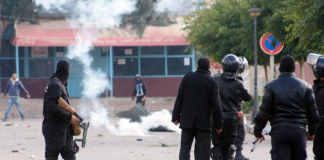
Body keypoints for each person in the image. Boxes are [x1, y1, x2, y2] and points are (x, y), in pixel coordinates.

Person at [254, 55, 320, 160]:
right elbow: (314, 115)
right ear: (294, 69)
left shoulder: (271, 86)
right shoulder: (306, 87)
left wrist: (257, 132)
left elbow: (263, 112)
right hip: (299, 131)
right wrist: (311, 132)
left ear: (280, 68)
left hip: (279, 131)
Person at [172, 57, 223, 160]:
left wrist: (175, 117)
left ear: (197, 66)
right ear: (209, 67)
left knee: (185, 149)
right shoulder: (212, 82)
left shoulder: (188, 77)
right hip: (204, 123)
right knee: (202, 152)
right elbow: (216, 106)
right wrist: (218, 125)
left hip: (187, 121)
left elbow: (180, 97)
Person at [211, 54, 252, 160]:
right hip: (230, 119)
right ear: (237, 67)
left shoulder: (215, 80)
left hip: (216, 118)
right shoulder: (238, 83)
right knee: (229, 146)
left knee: (217, 144)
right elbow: (247, 97)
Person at [42, 60, 80, 160]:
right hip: (55, 132)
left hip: (62, 131)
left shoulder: (58, 83)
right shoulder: (55, 84)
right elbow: (51, 107)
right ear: (66, 71)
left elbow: (61, 106)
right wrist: (69, 117)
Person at [234, 57, 250, 160]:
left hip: (221, 112)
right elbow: (246, 97)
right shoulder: (238, 80)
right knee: (239, 132)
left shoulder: (220, 78)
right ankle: (238, 153)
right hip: (236, 111)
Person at [311, 56, 324, 160]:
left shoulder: (318, 87)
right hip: (319, 127)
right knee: (318, 154)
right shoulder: (317, 85)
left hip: (320, 126)